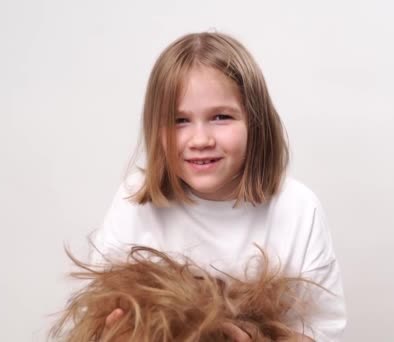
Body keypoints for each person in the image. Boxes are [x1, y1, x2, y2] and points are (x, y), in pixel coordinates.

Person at [90, 31, 346, 341]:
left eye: (221, 117)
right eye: (179, 120)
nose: (200, 140)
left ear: (255, 122)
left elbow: (322, 331)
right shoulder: (134, 201)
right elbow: (102, 317)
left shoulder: (297, 208)